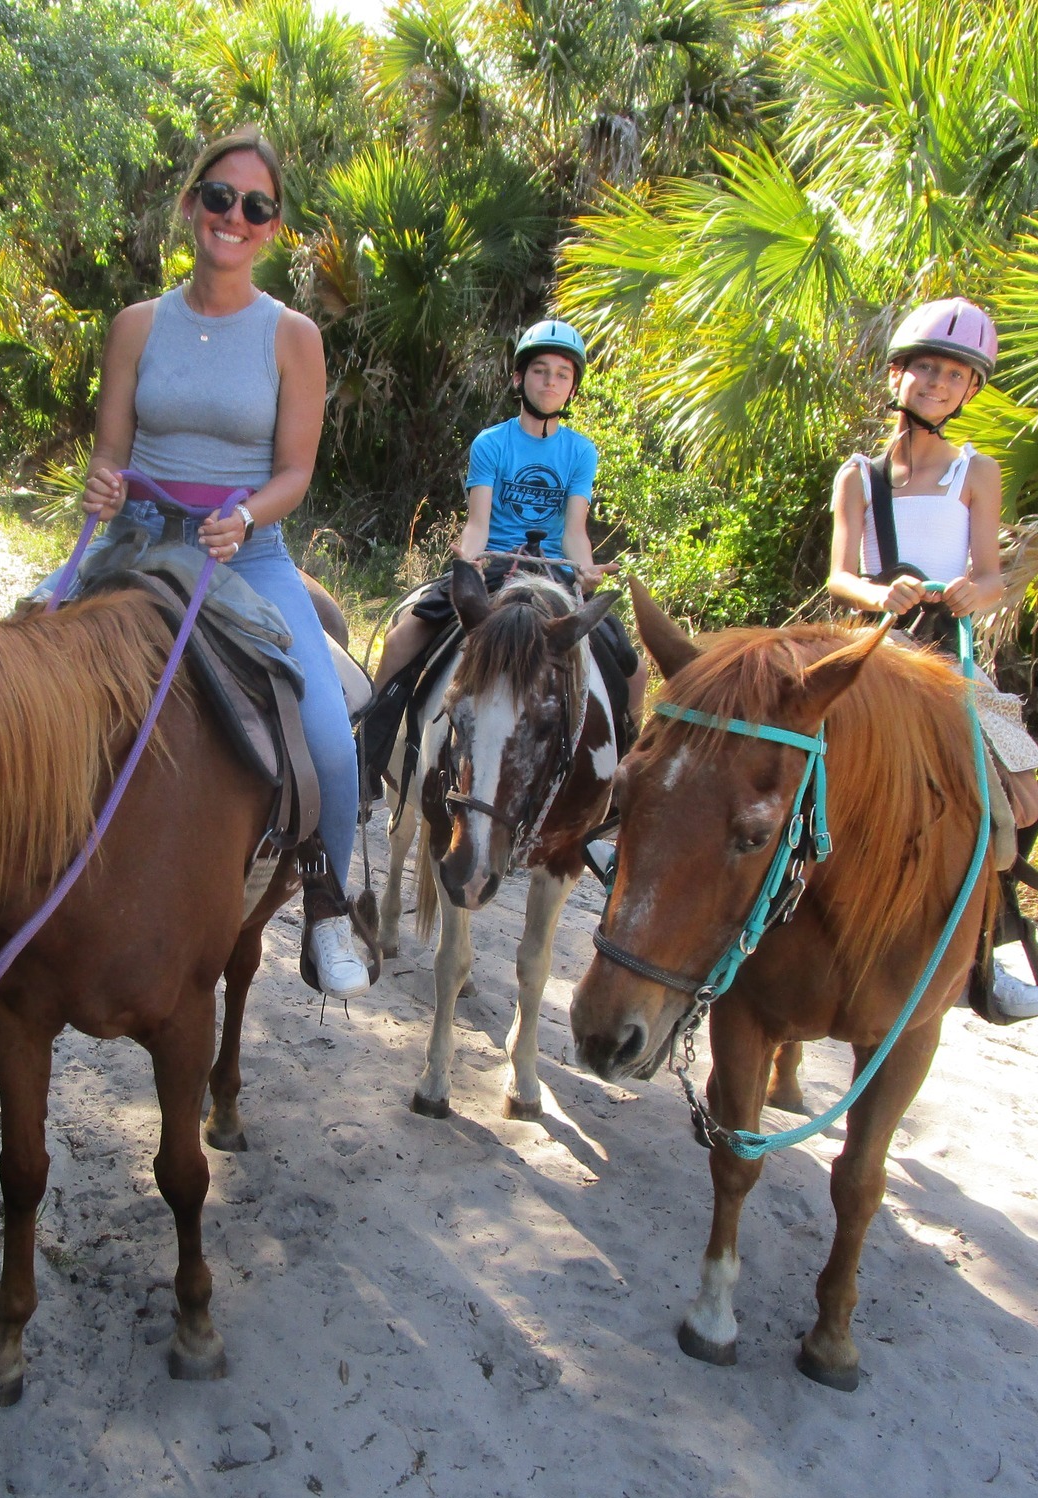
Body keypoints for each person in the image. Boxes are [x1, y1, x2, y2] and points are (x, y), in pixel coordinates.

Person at [76, 128, 370, 999]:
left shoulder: (293, 336)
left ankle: (327, 905)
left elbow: (295, 471)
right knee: (23, 679)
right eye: (219, 197)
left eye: (256, 206)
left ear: (273, 227)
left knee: (328, 735)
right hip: (135, 542)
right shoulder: (134, 326)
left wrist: (243, 514)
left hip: (249, 551)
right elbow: (111, 455)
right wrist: (101, 485)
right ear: (190, 204)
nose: (233, 217)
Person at [825, 297, 1038, 1021]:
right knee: (753, 732)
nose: (935, 383)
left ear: (968, 392)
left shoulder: (976, 473)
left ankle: (985, 951)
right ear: (897, 376)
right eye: (924, 368)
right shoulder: (857, 477)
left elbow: (991, 576)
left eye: (952, 375)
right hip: (869, 644)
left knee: (1018, 791)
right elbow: (837, 573)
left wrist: (968, 591)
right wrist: (875, 590)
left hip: (946, 655)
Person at [361, 320, 645, 795]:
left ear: (572, 386)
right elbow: (477, 523)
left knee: (632, 670)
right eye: (540, 371)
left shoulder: (581, 451)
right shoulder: (491, 443)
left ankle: (622, 785)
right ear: (519, 379)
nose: (550, 382)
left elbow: (574, 529)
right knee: (404, 636)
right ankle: (367, 755)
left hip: (554, 575)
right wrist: (466, 560)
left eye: (561, 374)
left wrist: (586, 569)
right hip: (494, 566)